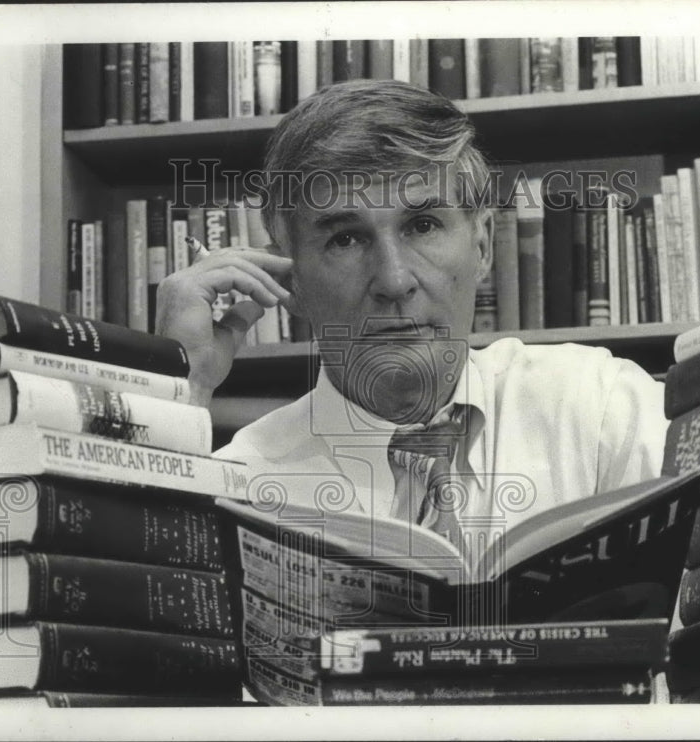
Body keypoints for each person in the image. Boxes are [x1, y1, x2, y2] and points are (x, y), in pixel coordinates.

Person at [156, 79, 668, 555]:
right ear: (291, 281)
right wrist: (183, 387)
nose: (394, 280)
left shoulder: (601, 405)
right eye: (346, 238)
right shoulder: (240, 482)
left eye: (423, 225)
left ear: (483, 246)